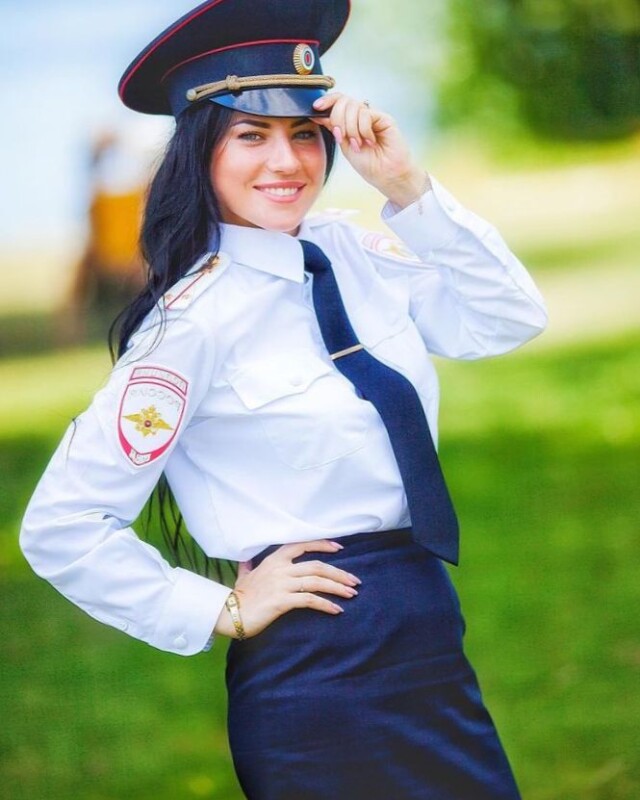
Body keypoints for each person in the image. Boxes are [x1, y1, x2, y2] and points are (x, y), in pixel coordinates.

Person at [20, 1, 548, 798]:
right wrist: (220, 608)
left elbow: (506, 318)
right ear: (201, 151)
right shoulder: (189, 325)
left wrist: (410, 189)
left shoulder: (351, 250)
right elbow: (61, 525)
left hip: (426, 631)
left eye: (305, 133)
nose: (288, 161)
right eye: (251, 135)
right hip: (314, 674)